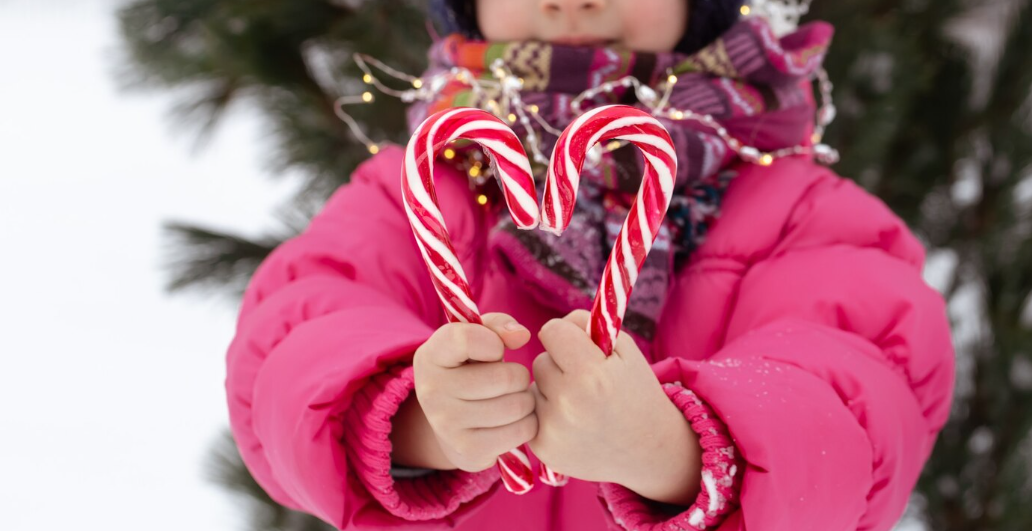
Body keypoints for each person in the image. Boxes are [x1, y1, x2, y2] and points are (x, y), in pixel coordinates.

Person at [224, 0, 956, 529]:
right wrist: (414, 421)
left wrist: (671, 452)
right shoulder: (418, 189)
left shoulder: (800, 211)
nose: (571, 2)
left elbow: (860, 400)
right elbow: (290, 348)